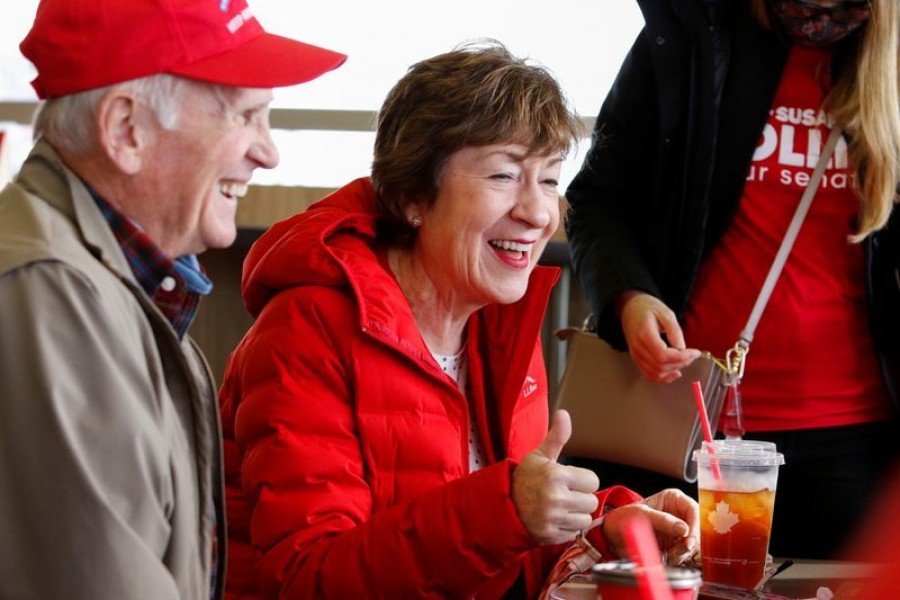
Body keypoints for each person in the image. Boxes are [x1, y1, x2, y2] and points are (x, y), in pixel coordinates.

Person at [218, 41, 700, 599]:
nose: (539, 212)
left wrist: (604, 527)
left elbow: (508, 549)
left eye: (548, 179)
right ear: (411, 196)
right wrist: (504, 508)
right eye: (503, 176)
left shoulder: (496, 325)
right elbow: (306, 580)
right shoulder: (308, 329)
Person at [0, 0, 345, 598]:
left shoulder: (120, 282)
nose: (268, 152)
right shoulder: (49, 293)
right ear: (125, 129)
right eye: (244, 117)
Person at [564, 0, 900, 560]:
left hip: (852, 442)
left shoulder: (887, 58)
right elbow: (598, 199)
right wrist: (630, 296)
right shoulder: (694, 37)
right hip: (683, 428)